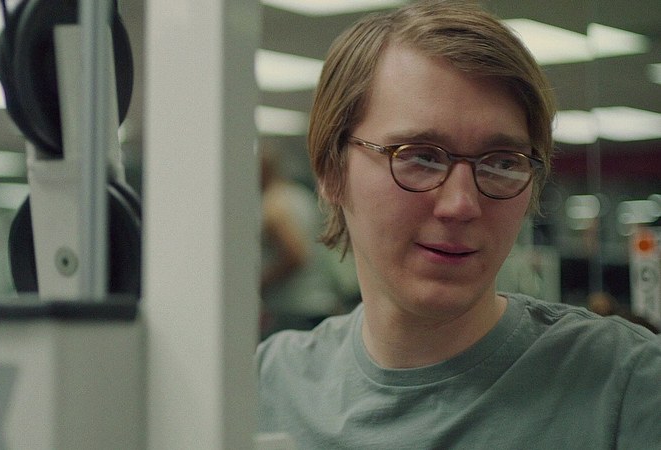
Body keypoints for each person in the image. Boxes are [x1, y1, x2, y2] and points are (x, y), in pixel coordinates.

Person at [256, 1, 661, 448]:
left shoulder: (627, 388)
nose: (461, 204)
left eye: (502, 163)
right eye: (419, 156)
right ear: (331, 172)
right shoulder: (266, 386)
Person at [259, 146, 342, 339]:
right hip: (319, 300)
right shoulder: (299, 195)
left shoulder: (273, 206)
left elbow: (295, 256)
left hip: (294, 308)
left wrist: (259, 283)